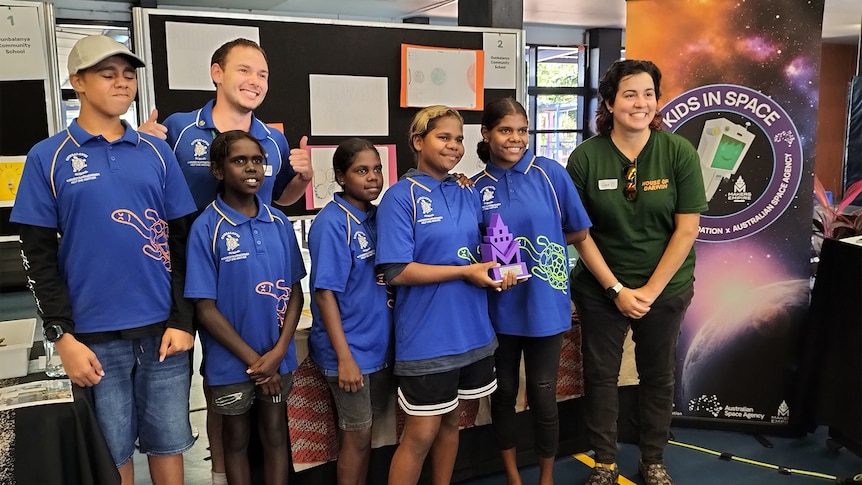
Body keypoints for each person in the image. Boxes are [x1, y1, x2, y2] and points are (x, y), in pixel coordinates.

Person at [11, 35, 197, 485]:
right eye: (107, 74)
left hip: (162, 333)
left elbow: (181, 242)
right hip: (92, 338)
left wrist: (182, 319)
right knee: (110, 452)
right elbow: (36, 255)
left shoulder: (156, 153)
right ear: (77, 81)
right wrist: (62, 336)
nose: (122, 83)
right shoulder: (48, 156)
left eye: (128, 75)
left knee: (169, 443)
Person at [138, 38, 311, 485]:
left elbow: (281, 200)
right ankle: (216, 472)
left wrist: (304, 178)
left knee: (253, 401)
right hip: (183, 273)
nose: (254, 81)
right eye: (244, 70)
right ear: (217, 73)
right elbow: (149, 187)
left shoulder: (272, 138)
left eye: (263, 74)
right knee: (214, 382)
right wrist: (141, 145)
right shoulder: (178, 127)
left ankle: (224, 472)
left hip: (250, 274)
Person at [566, 60, 707, 485]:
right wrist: (615, 290)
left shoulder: (677, 151)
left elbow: (687, 230)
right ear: (609, 102)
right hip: (600, 289)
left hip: (665, 288)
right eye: (629, 94)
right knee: (601, 376)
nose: (641, 103)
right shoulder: (586, 157)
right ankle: (605, 462)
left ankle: (653, 459)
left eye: (649, 93)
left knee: (658, 376)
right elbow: (578, 232)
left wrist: (647, 291)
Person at [375, 105, 517, 485]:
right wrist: (466, 272)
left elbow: (487, 249)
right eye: (444, 137)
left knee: (453, 421)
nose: (454, 146)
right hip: (427, 338)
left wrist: (502, 270)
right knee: (420, 434)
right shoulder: (400, 197)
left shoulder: (465, 190)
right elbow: (397, 271)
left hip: (472, 332)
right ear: (418, 141)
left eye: (459, 139)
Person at [472, 98, 592, 485]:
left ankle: (545, 478)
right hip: (499, 309)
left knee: (543, 395)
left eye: (522, 131)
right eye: (506, 130)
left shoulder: (551, 174)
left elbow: (578, 231)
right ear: (486, 133)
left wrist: (545, 251)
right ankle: (512, 476)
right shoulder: (473, 188)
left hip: (545, 306)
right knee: (504, 394)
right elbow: (471, 248)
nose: (516, 139)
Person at [184, 130, 305, 485]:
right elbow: (204, 308)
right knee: (235, 440)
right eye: (239, 160)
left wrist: (279, 352)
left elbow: (295, 290)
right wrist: (256, 363)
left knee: (275, 434)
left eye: (257, 160)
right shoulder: (207, 227)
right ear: (219, 170)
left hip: (277, 359)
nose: (251, 168)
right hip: (231, 365)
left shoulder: (279, 223)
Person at [308, 138, 393, 485]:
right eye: (361, 170)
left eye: (377, 169)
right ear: (341, 177)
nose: (373, 177)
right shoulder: (332, 223)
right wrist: (345, 357)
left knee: (367, 435)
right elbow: (325, 293)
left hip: (377, 348)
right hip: (349, 352)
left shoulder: (378, 215)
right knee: (356, 437)